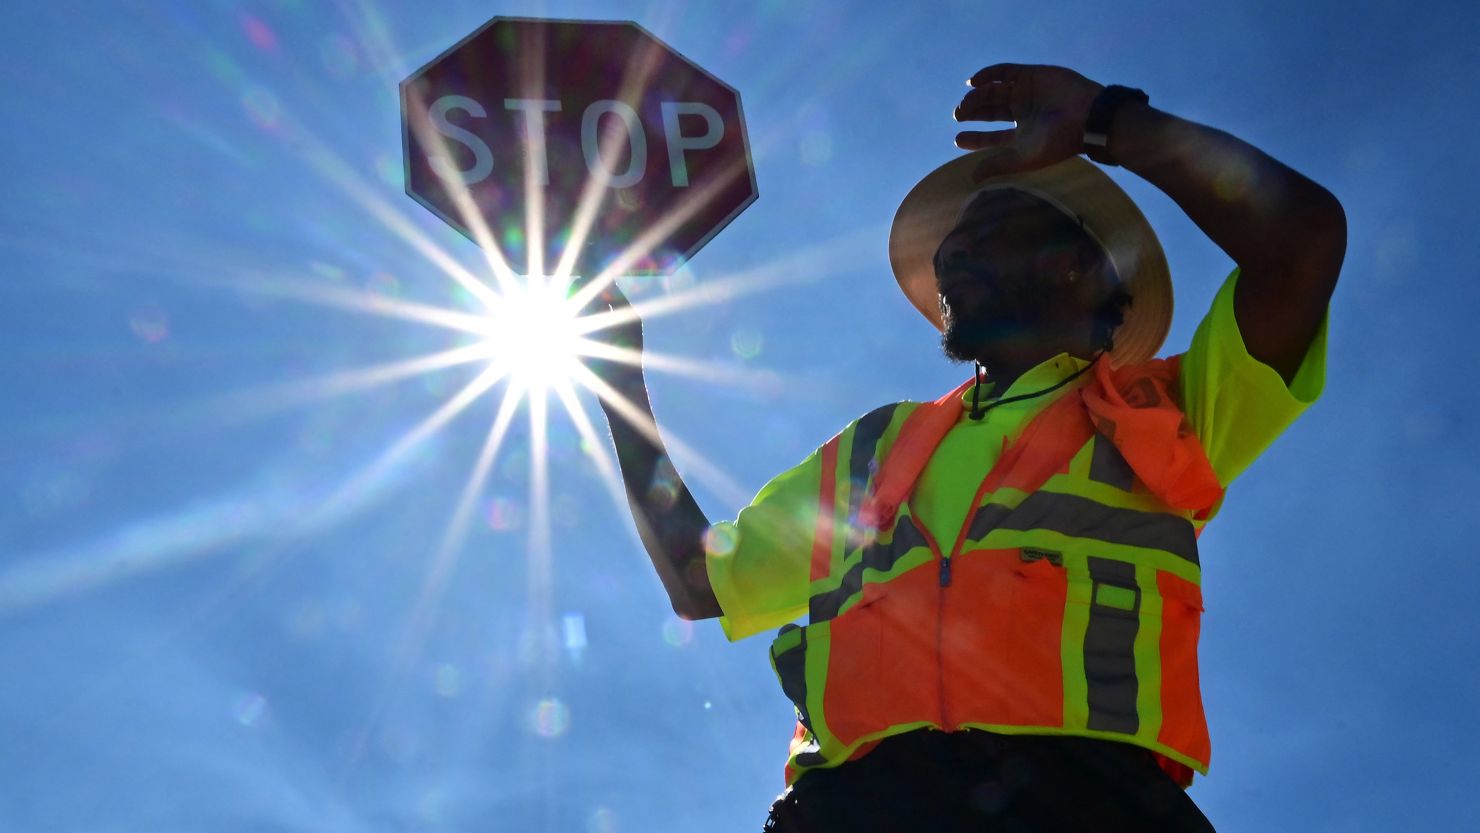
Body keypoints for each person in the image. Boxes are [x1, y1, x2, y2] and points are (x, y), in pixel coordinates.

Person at [590, 64, 1345, 832]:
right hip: (851, 810)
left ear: (1081, 266)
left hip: (1094, 805)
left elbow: (1303, 241)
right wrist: (622, 385)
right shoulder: (877, 447)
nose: (949, 258)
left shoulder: (1170, 411)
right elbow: (701, 579)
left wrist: (1106, 120)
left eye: (984, 233)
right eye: (951, 246)